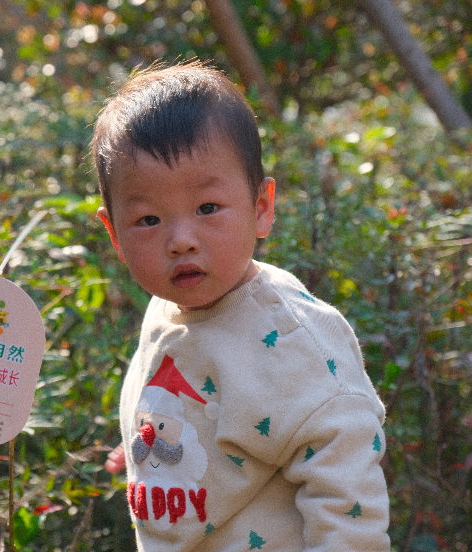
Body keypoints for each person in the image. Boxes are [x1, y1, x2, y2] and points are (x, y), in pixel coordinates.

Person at [93, 60, 390, 551]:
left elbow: (348, 501)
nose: (181, 240)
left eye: (207, 208)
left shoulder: (294, 340)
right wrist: (147, 453)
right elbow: (202, 406)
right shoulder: (168, 307)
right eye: (148, 219)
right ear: (115, 234)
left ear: (261, 207)